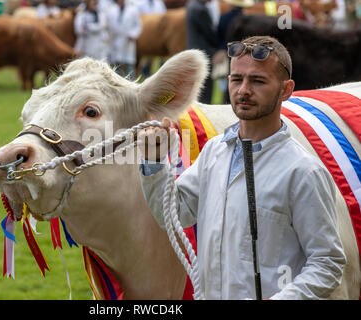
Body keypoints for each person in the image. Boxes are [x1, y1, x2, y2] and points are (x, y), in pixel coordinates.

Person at [137, 36, 346, 299]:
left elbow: (327, 263)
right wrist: (154, 161)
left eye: (257, 81)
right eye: (236, 79)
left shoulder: (303, 171)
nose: (243, 90)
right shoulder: (214, 151)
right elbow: (174, 214)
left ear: (286, 89)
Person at [185, 0, 218, 104]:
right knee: (206, 86)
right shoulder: (201, 10)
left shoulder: (191, 5)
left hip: (193, 48)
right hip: (204, 51)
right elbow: (209, 33)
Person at [107, 0, 142, 80]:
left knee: (129, 65)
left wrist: (133, 35)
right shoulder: (112, 10)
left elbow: (138, 26)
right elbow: (109, 26)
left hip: (128, 42)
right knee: (117, 66)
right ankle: (117, 84)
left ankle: (131, 83)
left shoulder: (133, 10)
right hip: (116, 42)